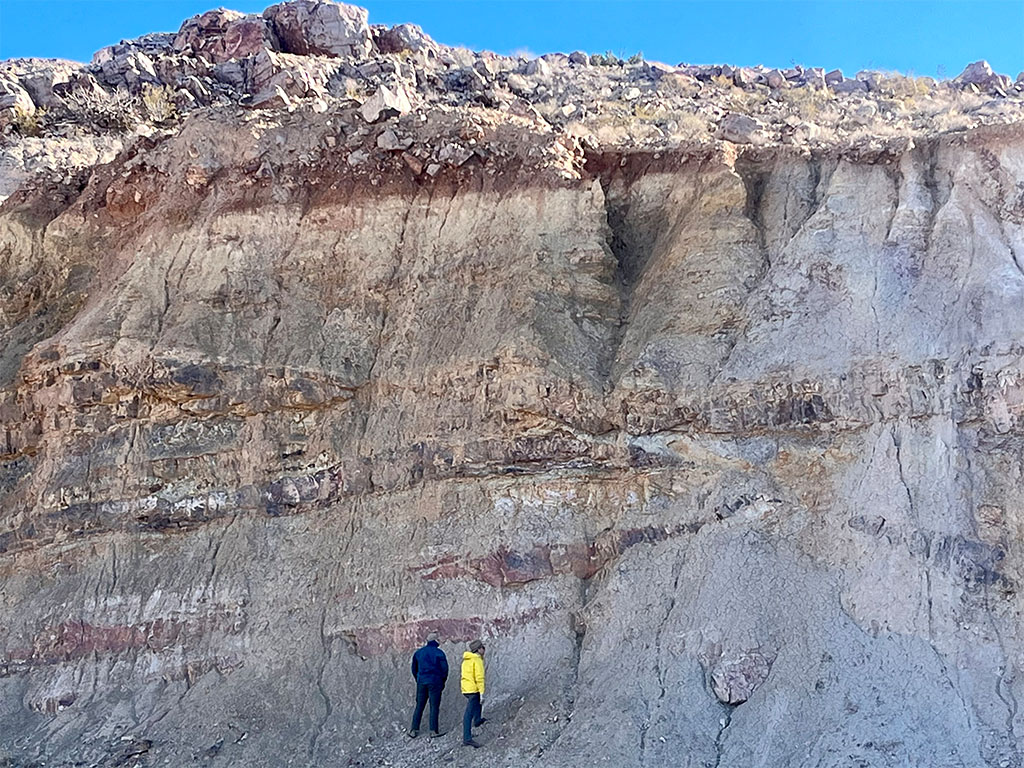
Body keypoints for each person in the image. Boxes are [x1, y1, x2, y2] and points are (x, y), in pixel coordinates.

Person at [409, 631, 448, 738]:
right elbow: (444, 670)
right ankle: (433, 731)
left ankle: (414, 729)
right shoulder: (439, 653)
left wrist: (418, 679)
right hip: (435, 682)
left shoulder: (418, 653)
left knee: (419, 706)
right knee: (434, 706)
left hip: (421, 682)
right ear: (435, 641)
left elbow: (414, 669)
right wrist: (442, 681)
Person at [460, 639, 488, 748]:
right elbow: (479, 678)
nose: (484, 650)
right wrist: (482, 693)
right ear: (479, 649)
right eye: (483, 648)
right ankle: (467, 738)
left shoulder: (466, 660)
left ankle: (477, 720)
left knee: (477, 703)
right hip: (473, 689)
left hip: (466, 688)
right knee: (469, 713)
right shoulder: (477, 661)